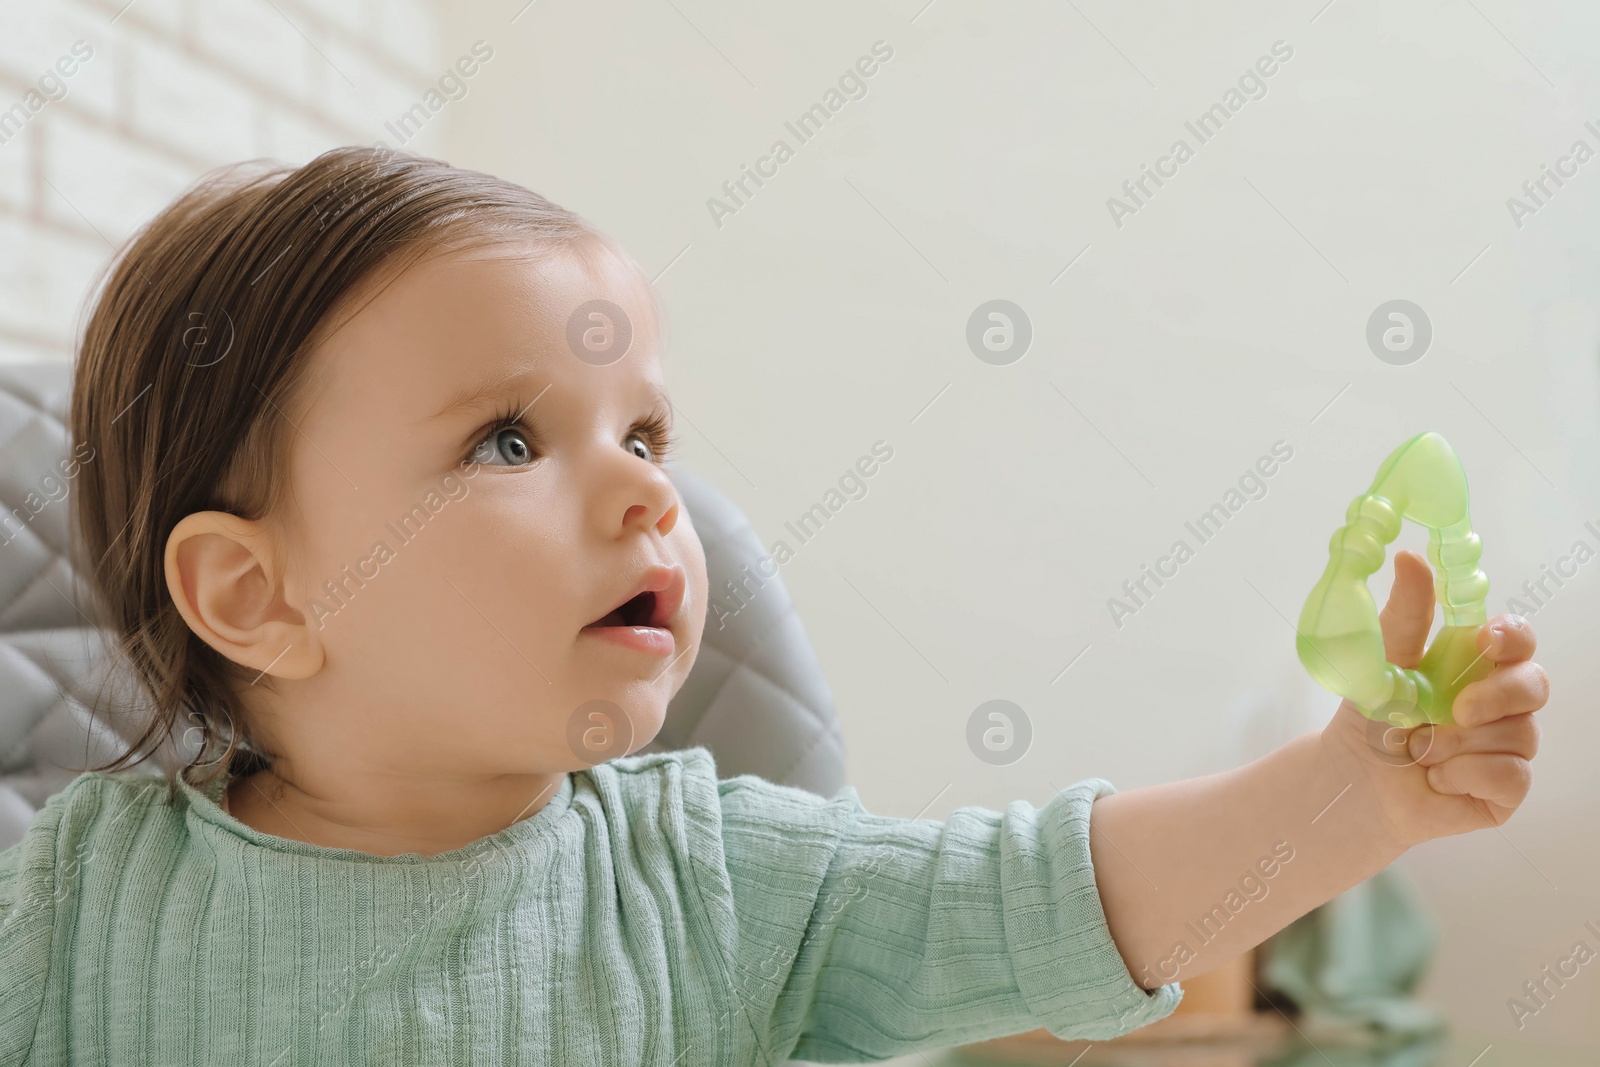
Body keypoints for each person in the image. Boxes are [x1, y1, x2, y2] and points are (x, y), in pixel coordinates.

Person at [0, 147, 1548, 1065]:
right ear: (255, 596)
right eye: (510, 440)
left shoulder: (718, 882)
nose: (645, 495)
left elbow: (1047, 895)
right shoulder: (74, 905)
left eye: (648, 436)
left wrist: (1349, 791)